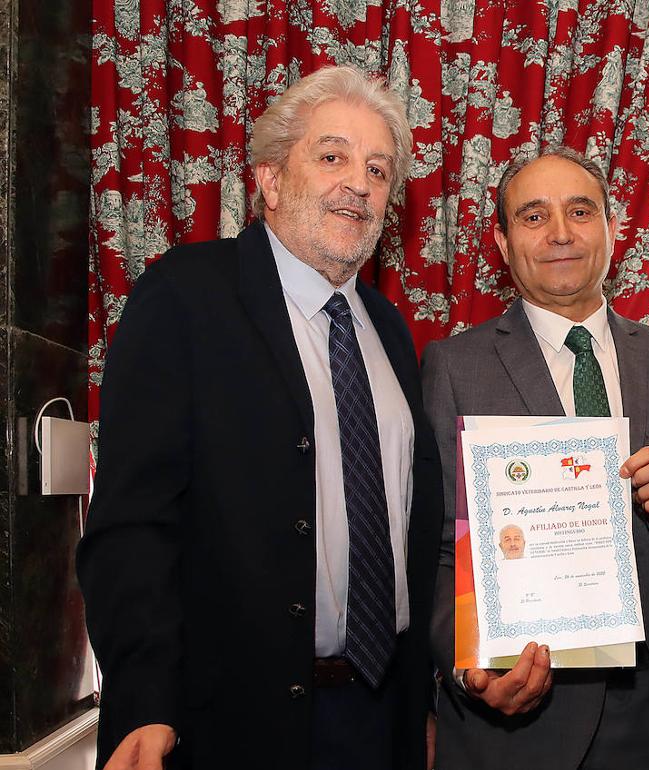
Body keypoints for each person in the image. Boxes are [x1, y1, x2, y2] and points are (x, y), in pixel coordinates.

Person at [77, 65, 443, 770]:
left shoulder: (391, 330)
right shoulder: (185, 298)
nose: (359, 183)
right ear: (270, 180)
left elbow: (407, 525)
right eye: (332, 156)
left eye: (378, 169)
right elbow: (132, 522)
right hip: (232, 725)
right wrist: (143, 695)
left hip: (383, 718)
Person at [422, 147, 649, 770]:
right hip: (522, 714)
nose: (559, 233)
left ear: (611, 226)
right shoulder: (454, 367)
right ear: (500, 239)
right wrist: (469, 667)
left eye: (580, 211)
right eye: (533, 216)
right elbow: (438, 550)